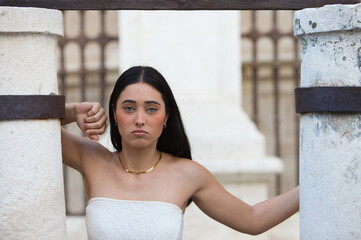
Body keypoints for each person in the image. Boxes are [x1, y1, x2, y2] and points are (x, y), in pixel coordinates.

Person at [61, 66, 299, 240]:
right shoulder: (92, 159)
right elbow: (32, 126)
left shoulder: (187, 174)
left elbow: (253, 219)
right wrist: (73, 110)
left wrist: (313, 185)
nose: (140, 119)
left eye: (151, 109)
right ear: (114, 112)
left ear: (166, 117)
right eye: (129, 108)